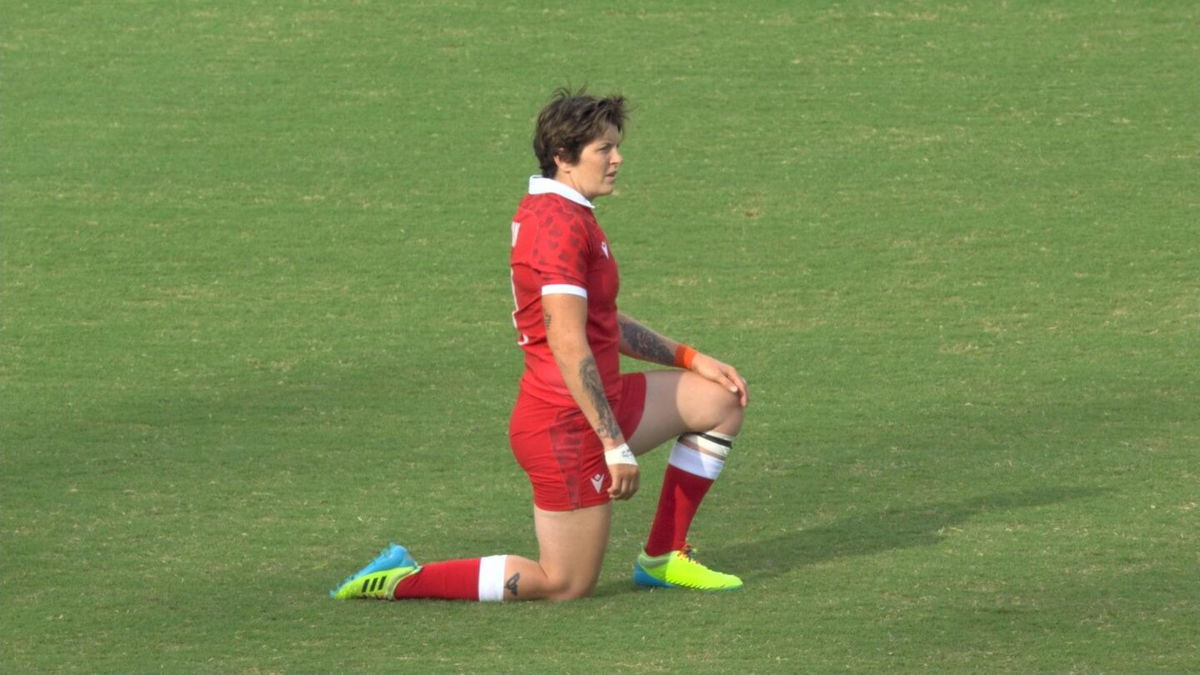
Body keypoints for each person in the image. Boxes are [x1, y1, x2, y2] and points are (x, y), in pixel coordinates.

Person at [330, 88, 749, 602]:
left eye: (617, 146)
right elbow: (570, 344)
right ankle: (403, 578)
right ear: (563, 157)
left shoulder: (570, 213)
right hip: (565, 425)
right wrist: (613, 444)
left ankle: (664, 556)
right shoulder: (556, 226)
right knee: (564, 584)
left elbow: (601, 322)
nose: (618, 159)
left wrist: (690, 357)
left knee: (719, 399)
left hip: (600, 403)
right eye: (604, 149)